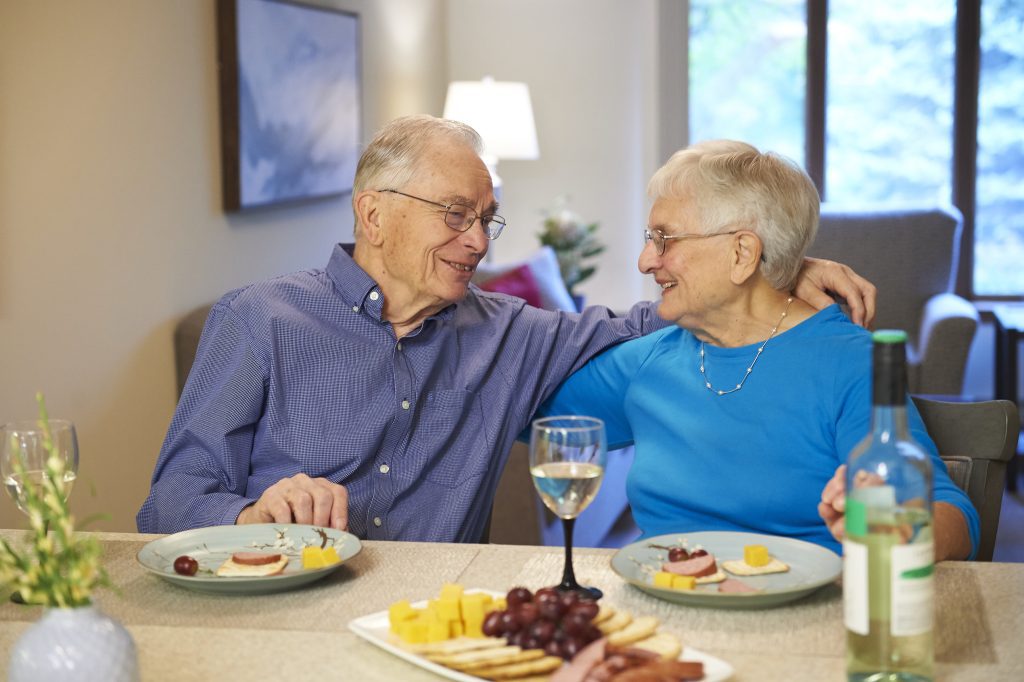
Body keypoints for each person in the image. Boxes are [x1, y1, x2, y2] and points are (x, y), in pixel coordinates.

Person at [137, 116, 877, 543]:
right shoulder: (258, 320)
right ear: (373, 214)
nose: (479, 242)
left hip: (444, 630)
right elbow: (168, 500)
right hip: (284, 615)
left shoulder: (509, 333)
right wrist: (249, 512)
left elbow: (665, 313)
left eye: (486, 219)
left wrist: (778, 265)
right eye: (455, 215)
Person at [538, 139, 977, 560]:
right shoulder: (649, 359)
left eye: (664, 238)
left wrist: (889, 525)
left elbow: (952, 517)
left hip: (802, 622)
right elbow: (514, 407)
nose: (646, 260)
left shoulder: (849, 363)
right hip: (666, 617)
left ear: (742, 253)